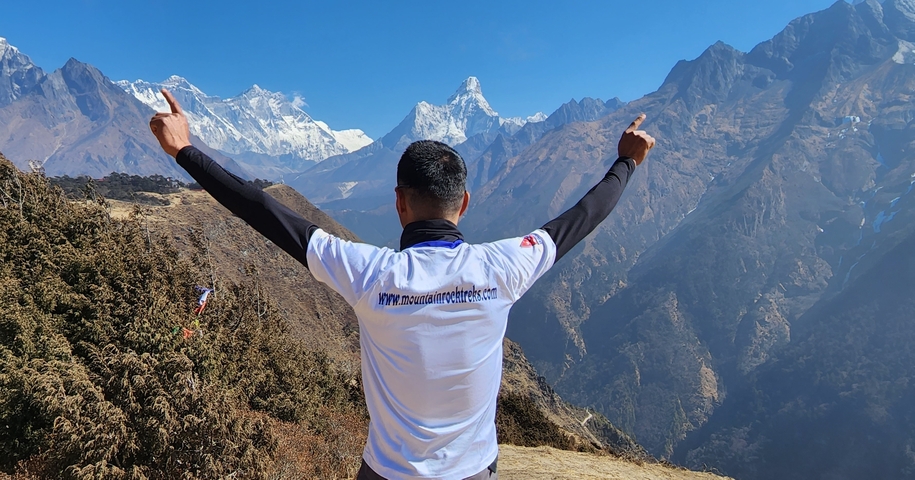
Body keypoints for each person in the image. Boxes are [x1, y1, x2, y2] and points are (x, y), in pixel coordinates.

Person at [149, 89, 655, 480]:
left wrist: (185, 151)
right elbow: (583, 215)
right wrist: (625, 161)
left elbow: (262, 210)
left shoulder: (369, 274)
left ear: (398, 203)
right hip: (474, 470)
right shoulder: (503, 267)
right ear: (465, 204)